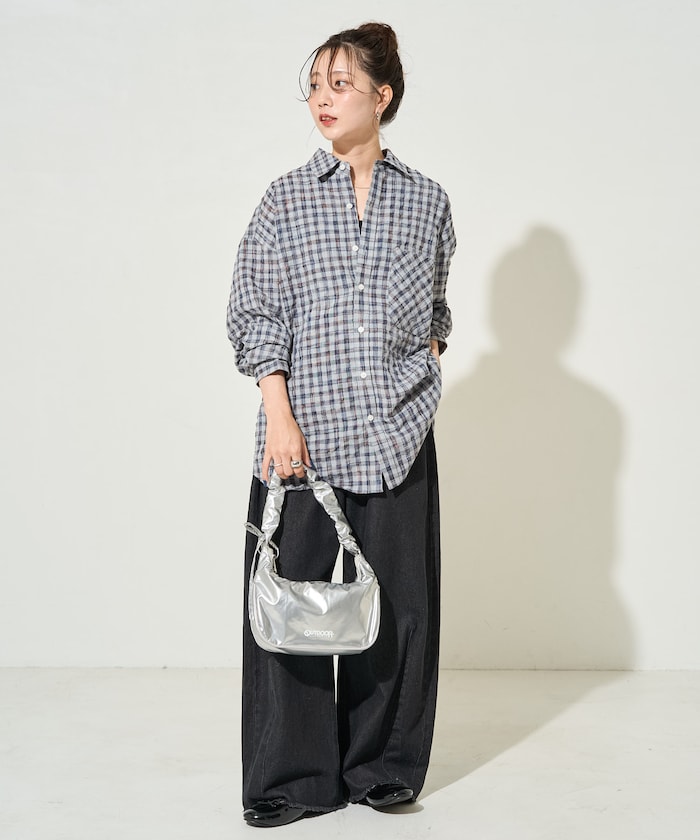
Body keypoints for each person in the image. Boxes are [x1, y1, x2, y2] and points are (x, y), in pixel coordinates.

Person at [227, 22, 456, 828]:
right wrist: (279, 417)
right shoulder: (285, 201)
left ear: (381, 96)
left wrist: (424, 364)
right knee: (287, 610)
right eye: (315, 86)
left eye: (340, 84)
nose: (322, 100)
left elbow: (435, 309)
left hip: (397, 435)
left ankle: (383, 767)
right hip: (303, 440)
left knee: (397, 614)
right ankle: (292, 778)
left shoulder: (427, 202)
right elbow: (255, 314)